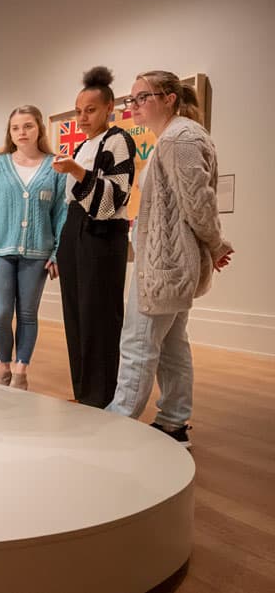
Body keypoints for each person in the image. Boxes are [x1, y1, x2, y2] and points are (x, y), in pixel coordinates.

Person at [105, 71, 233, 447]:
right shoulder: (172, 140)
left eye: (142, 98)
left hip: (166, 266)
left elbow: (199, 203)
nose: (134, 107)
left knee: (137, 344)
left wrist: (217, 244)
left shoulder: (180, 139)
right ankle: (173, 423)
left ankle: (118, 424)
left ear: (169, 99)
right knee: (173, 346)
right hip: (168, 262)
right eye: (131, 100)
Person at [51, 66, 136, 408]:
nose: (84, 117)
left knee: (99, 313)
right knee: (75, 311)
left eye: (91, 110)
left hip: (101, 233)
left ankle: (101, 395)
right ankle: (84, 391)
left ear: (109, 108)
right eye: (79, 111)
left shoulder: (118, 141)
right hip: (76, 229)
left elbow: (114, 199)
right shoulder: (85, 144)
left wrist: (74, 170)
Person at [0, 105, 67, 389]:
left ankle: (21, 370)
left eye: (27, 126)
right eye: (16, 128)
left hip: (38, 253)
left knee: (27, 314)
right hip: (0, 251)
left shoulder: (55, 167)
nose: (22, 132)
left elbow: (61, 213)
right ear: (9, 132)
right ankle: (3, 366)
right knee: (1, 312)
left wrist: (57, 252)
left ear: (39, 127)